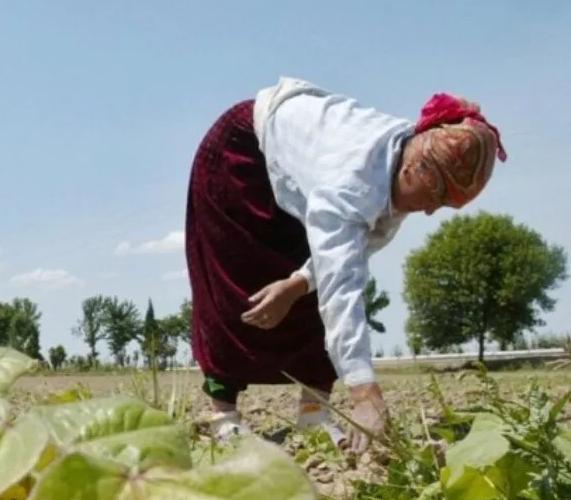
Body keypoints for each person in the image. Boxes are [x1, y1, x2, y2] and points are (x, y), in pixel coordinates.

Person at [183, 77, 507, 452]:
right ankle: (223, 416)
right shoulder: (351, 180)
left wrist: (298, 282)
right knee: (235, 283)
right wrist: (364, 393)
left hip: (303, 177)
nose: (432, 210)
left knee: (300, 294)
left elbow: (356, 250)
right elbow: (342, 285)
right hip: (239, 157)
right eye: (436, 196)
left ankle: (313, 413)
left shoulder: (403, 160)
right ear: (412, 169)